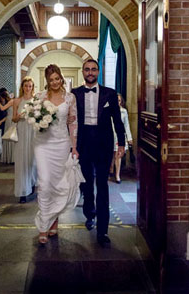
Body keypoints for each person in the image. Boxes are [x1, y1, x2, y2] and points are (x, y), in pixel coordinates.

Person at [71, 59, 126, 245]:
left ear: (99, 71)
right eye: (87, 69)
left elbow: (118, 121)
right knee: (86, 184)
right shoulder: (75, 94)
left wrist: (121, 143)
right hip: (83, 143)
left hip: (103, 143)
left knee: (102, 186)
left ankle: (103, 231)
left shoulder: (110, 94)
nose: (90, 72)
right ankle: (89, 213)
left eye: (94, 69)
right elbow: (70, 122)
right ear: (82, 72)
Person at [34, 65, 81, 245]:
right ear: (47, 81)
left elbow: (73, 124)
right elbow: (32, 118)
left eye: (57, 78)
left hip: (62, 143)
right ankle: (43, 225)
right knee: (45, 183)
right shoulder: (39, 97)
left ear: (61, 78)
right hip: (43, 144)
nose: (54, 82)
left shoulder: (70, 98)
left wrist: (74, 147)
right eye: (51, 79)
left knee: (58, 184)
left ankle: (54, 219)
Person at [10, 76, 38, 203]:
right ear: (22, 87)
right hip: (21, 130)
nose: (28, 88)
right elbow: (13, 119)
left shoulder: (36, 100)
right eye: (26, 86)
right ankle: (22, 191)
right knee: (21, 161)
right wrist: (19, 116)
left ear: (32, 87)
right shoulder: (17, 101)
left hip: (32, 131)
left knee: (32, 160)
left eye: (30, 86)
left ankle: (32, 186)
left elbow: (39, 116)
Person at [111, 94, 132, 183]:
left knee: (118, 155)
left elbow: (126, 125)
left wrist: (129, 137)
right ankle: (111, 170)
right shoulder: (109, 110)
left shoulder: (124, 111)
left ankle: (117, 175)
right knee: (111, 155)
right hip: (110, 135)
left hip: (119, 135)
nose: (117, 102)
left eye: (119, 101)